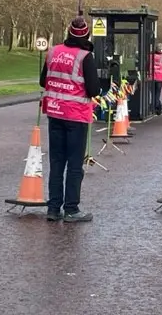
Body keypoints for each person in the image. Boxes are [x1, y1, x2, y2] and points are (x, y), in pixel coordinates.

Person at [40, 16, 101, 223]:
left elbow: (43, 80)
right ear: (86, 35)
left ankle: (53, 208)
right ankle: (72, 209)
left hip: (55, 112)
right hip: (76, 115)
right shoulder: (86, 57)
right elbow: (93, 89)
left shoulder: (53, 52)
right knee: (75, 164)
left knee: (56, 162)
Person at [151, 42, 162, 115]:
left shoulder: (151, 56)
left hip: (152, 76)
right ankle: (157, 107)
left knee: (153, 93)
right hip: (160, 77)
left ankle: (157, 106)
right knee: (157, 93)